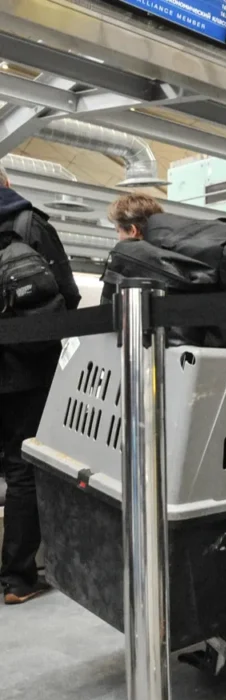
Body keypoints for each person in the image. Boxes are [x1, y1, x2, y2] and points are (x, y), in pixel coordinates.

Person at [0, 164, 80, 604]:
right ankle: (17, 580)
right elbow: (66, 294)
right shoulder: (30, 224)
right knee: (22, 467)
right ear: (6, 182)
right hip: (25, 368)